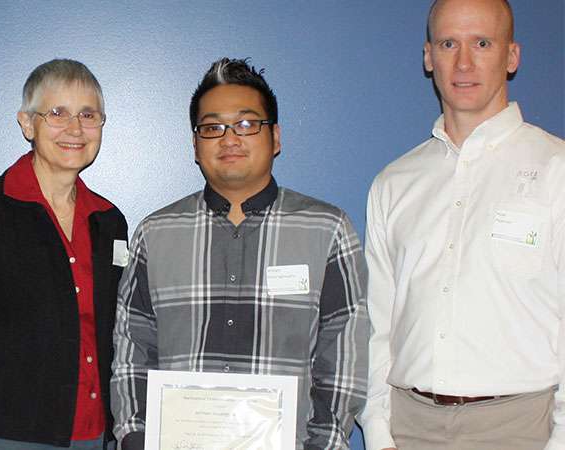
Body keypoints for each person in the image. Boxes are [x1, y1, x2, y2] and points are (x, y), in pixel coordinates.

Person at [110, 57, 368, 450]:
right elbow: (132, 346)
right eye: (213, 127)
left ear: (276, 137)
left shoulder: (327, 229)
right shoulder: (156, 233)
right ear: (195, 145)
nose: (229, 138)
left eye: (247, 124)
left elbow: (344, 349)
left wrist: (323, 443)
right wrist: (135, 435)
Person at [360, 0, 565, 449]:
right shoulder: (394, 183)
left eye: (483, 43)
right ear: (428, 56)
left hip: (521, 428)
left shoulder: (557, 169)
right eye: (449, 43)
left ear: (511, 56)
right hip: (408, 425)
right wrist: (378, 431)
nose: (464, 62)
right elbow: (378, 326)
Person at [0, 59, 128, 450]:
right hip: (11, 435)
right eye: (57, 113)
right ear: (27, 123)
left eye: (88, 115)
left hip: (98, 435)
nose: (75, 128)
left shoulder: (110, 222)